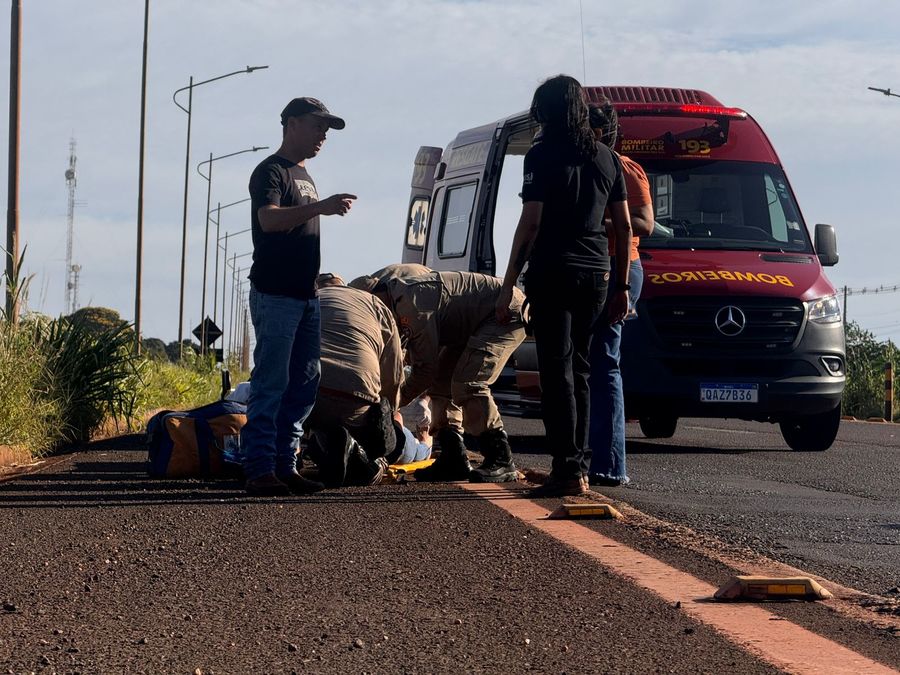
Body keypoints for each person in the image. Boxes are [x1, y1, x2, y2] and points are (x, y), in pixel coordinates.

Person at [496, 75, 632, 497]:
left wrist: (508, 281)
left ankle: (566, 469)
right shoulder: (608, 158)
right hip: (596, 274)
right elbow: (625, 227)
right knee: (583, 369)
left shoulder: (540, 154)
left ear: (548, 112)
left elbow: (531, 222)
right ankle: (581, 467)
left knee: (557, 373)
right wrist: (623, 285)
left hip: (553, 271)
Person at [240, 97, 357, 496]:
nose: (323, 135)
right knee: (271, 382)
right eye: (316, 126)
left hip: (307, 295)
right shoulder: (271, 171)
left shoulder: (304, 174)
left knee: (305, 383)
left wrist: (318, 276)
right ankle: (259, 468)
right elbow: (268, 219)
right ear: (290, 124)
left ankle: (284, 465)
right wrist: (321, 208)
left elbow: (295, 234)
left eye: (327, 129)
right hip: (275, 295)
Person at [371, 271, 527, 483]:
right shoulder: (397, 299)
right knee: (441, 384)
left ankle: (500, 458)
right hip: (469, 325)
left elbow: (424, 371)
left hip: (502, 313)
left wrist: (391, 405)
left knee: (469, 383)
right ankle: (453, 456)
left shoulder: (411, 304)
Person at [587, 101, 655, 487]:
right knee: (591, 363)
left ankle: (611, 463)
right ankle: (591, 458)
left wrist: (601, 219)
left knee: (606, 363)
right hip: (593, 268)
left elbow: (645, 222)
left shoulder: (627, 169)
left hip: (622, 269)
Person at [302, 276, 405, 486]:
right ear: (344, 286)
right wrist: (388, 417)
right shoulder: (374, 304)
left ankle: (329, 446)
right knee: (392, 440)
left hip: (310, 397)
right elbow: (393, 376)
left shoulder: (305, 302)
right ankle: (373, 463)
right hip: (357, 400)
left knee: (314, 422)